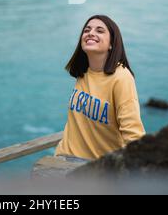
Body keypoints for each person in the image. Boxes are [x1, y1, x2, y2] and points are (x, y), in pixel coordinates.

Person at [55, 15, 146, 163]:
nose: (91, 33)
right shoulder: (83, 72)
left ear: (112, 43)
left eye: (100, 30)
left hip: (97, 167)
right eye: (87, 30)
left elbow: (133, 132)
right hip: (64, 157)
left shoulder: (121, 78)